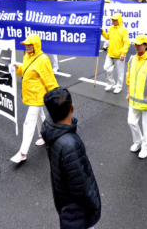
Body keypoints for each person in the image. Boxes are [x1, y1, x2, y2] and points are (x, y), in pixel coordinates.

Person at [41, 88, 101, 229]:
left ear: (48, 111)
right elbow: (81, 187)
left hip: (65, 203)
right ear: (72, 108)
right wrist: (94, 205)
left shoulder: (51, 131)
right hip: (79, 214)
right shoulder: (70, 145)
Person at [10, 34, 59, 163]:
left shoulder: (43, 59)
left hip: (38, 95)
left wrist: (56, 97)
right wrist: (18, 69)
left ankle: (23, 152)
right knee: (40, 116)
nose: (27, 46)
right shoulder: (27, 55)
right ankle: (45, 136)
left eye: (29, 44)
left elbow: (49, 80)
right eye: (25, 44)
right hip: (31, 95)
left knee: (29, 122)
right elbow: (26, 72)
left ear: (36, 45)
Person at [101, 13, 129, 93]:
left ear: (119, 20)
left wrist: (123, 53)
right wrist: (102, 32)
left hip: (119, 55)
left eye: (115, 20)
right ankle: (111, 82)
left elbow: (126, 43)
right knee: (106, 68)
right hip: (110, 53)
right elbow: (107, 37)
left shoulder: (124, 30)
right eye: (112, 20)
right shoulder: (111, 28)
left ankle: (119, 87)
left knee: (120, 73)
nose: (113, 21)